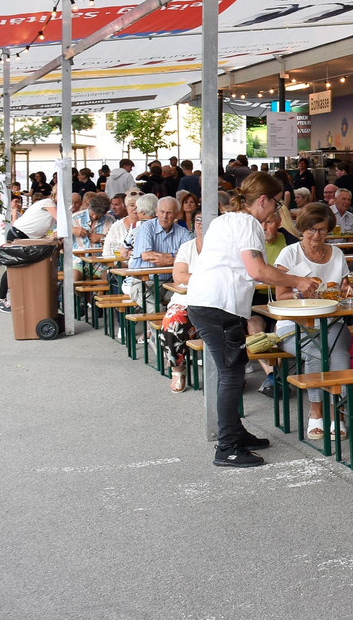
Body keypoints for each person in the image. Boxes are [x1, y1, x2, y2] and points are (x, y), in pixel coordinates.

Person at [185, 172, 317, 467]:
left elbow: (246, 267)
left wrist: (283, 276)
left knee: (231, 371)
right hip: (218, 304)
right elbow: (256, 270)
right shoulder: (248, 224)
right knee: (231, 375)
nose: (277, 210)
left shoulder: (226, 220)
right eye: (277, 203)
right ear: (263, 200)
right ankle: (227, 447)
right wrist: (297, 281)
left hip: (207, 302)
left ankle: (235, 433)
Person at [274, 203, 352, 440]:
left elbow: (344, 287)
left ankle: (337, 412)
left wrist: (347, 291)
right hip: (293, 324)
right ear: (302, 229)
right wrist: (302, 294)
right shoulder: (289, 254)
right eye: (311, 229)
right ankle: (316, 410)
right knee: (316, 352)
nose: (317, 235)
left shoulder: (336, 254)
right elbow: (280, 297)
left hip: (330, 321)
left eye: (322, 229)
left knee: (339, 352)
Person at [123, 196, 193, 312]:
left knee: (187, 303)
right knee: (156, 310)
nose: (164, 216)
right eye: (162, 212)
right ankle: (160, 324)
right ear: (156, 212)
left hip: (170, 283)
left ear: (177, 215)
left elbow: (190, 257)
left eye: (169, 213)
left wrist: (171, 258)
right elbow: (146, 255)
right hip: (143, 282)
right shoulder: (146, 227)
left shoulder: (182, 232)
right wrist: (176, 257)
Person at [0, 193, 58, 313]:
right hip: (19, 235)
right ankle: (0, 299)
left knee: (24, 268)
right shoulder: (49, 203)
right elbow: (61, 220)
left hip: (27, 236)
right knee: (13, 268)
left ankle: (20, 298)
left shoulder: (50, 205)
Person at [161, 210, 203, 393]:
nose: (202, 223)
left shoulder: (225, 247)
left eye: (207, 219)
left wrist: (192, 277)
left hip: (216, 301)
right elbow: (178, 276)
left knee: (233, 320)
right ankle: (177, 370)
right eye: (198, 220)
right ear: (193, 224)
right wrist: (209, 279)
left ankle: (233, 373)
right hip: (186, 299)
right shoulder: (187, 247)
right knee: (172, 321)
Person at [70, 195, 112, 280]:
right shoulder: (75, 218)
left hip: (100, 261)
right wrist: (71, 230)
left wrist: (102, 237)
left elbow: (117, 241)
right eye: (92, 214)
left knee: (111, 279)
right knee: (73, 279)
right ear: (89, 208)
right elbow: (56, 234)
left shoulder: (110, 220)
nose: (95, 217)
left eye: (99, 216)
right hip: (78, 260)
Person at [102, 191, 141, 259]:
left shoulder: (148, 224)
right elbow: (106, 252)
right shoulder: (116, 226)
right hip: (118, 263)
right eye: (132, 205)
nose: (135, 208)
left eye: (139, 206)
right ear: (126, 207)